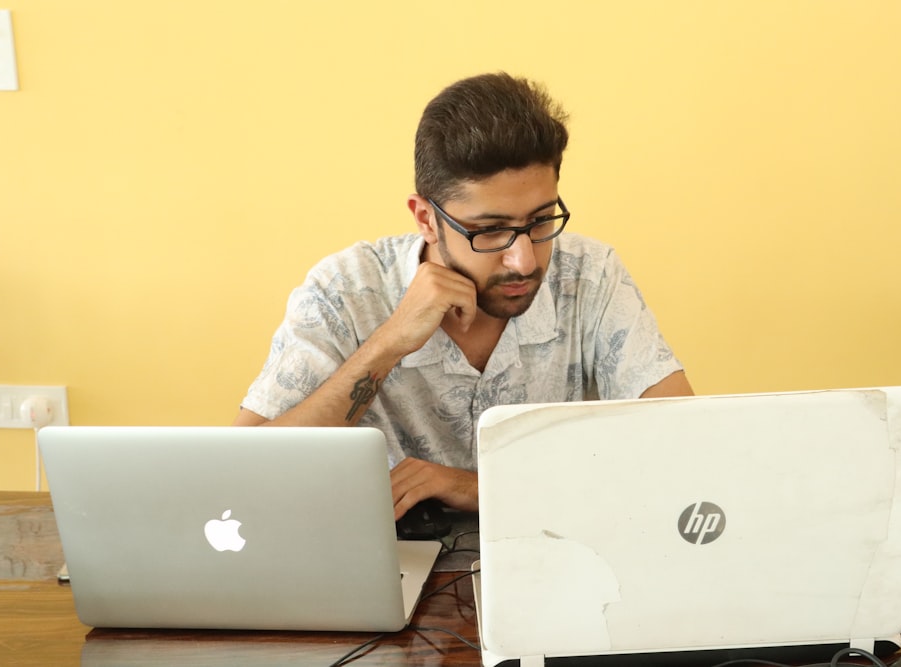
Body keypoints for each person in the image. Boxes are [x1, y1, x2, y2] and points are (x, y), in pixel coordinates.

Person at [233, 72, 693, 519]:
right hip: (389, 573)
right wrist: (388, 343)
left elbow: (687, 452)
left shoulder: (590, 276)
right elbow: (243, 475)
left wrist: (476, 487)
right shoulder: (346, 291)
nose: (524, 261)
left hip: (562, 562)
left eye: (540, 221)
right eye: (489, 231)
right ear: (426, 219)